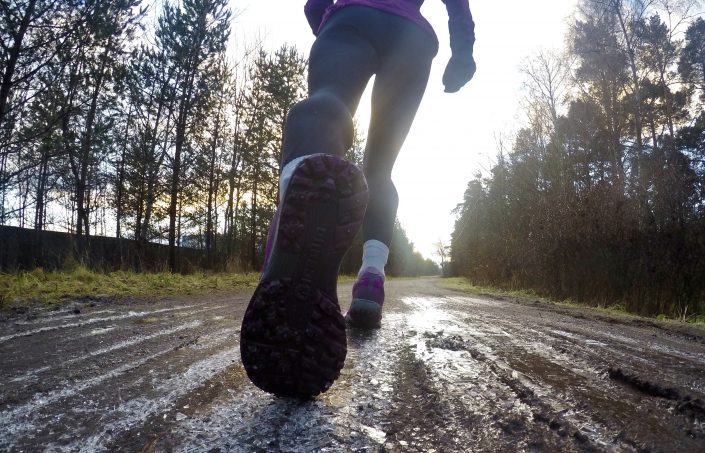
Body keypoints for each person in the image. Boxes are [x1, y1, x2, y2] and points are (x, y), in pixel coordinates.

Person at [240, 0, 476, 398]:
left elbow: (315, 5)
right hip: (412, 37)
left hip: (353, 17)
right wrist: (463, 51)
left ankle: (286, 235)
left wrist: (326, 22)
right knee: (380, 167)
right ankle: (371, 279)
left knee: (326, 105)